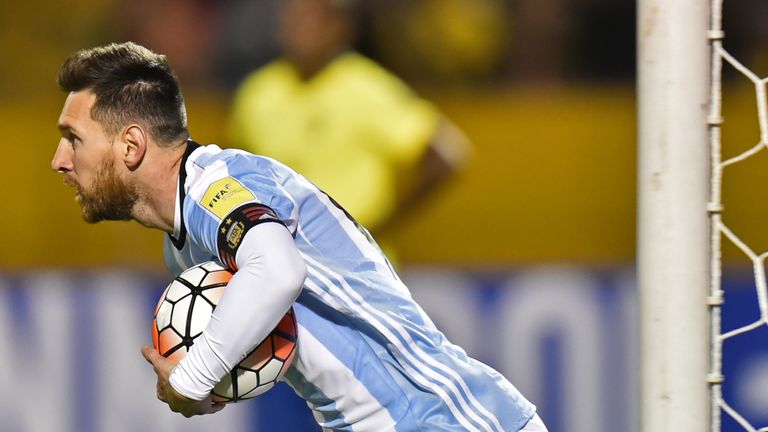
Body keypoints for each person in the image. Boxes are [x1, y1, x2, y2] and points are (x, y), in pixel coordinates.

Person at [52, 42, 547, 432]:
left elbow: (278, 270)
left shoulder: (215, 187)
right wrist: (212, 390)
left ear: (132, 144)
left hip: (447, 421)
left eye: (74, 138)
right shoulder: (182, 245)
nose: (59, 159)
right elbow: (273, 341)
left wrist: (192, 377)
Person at [227, 0, 470, 248]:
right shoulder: (257, 94)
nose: (302, 29)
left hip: (356, 270)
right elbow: (238, 172)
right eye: (295, 18)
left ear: (341, 28)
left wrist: (378, 230)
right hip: (282, 260)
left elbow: (446, 156)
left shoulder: (367, 89)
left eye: (316, 19)